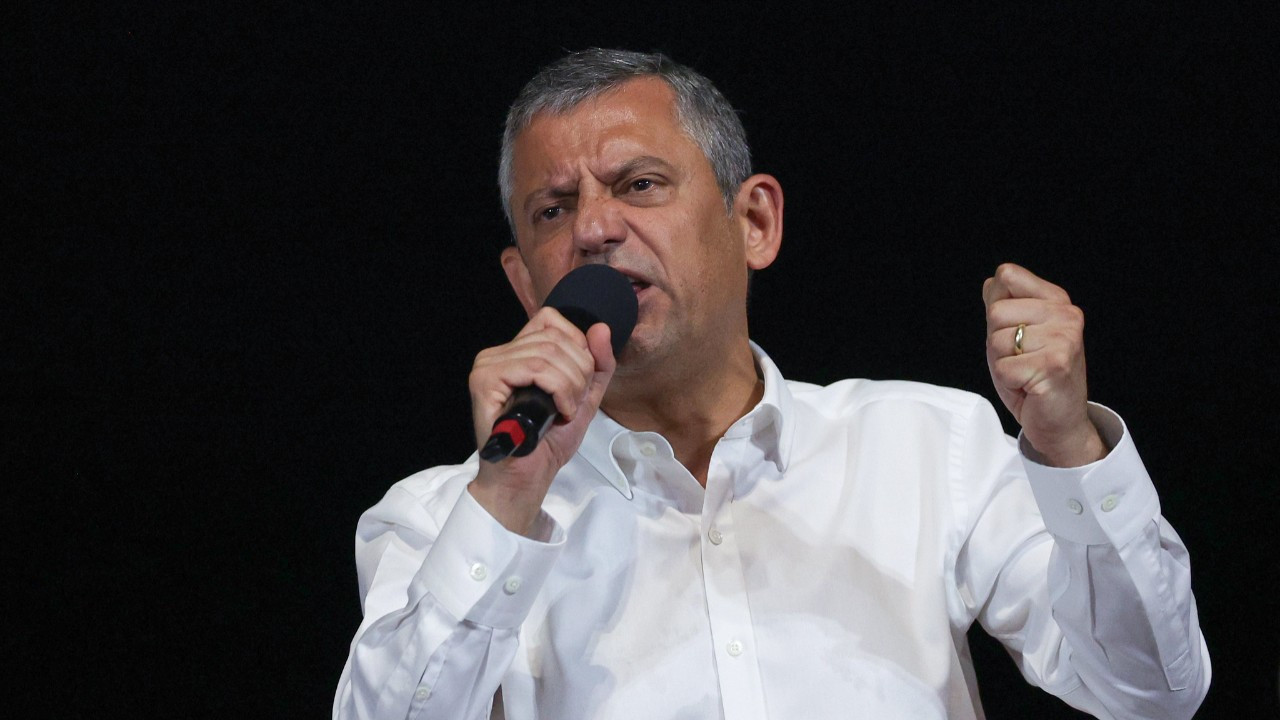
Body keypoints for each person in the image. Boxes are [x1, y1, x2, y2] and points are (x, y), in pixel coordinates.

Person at [333, 48, 1209, 720]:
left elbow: (1149, 693)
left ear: (753, 221)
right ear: (526, 283)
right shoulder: (438, 519)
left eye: (640, 184)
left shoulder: (927, 443)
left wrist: (1068, 448)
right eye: (553, 210)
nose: (595, 229)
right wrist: (507, 499)